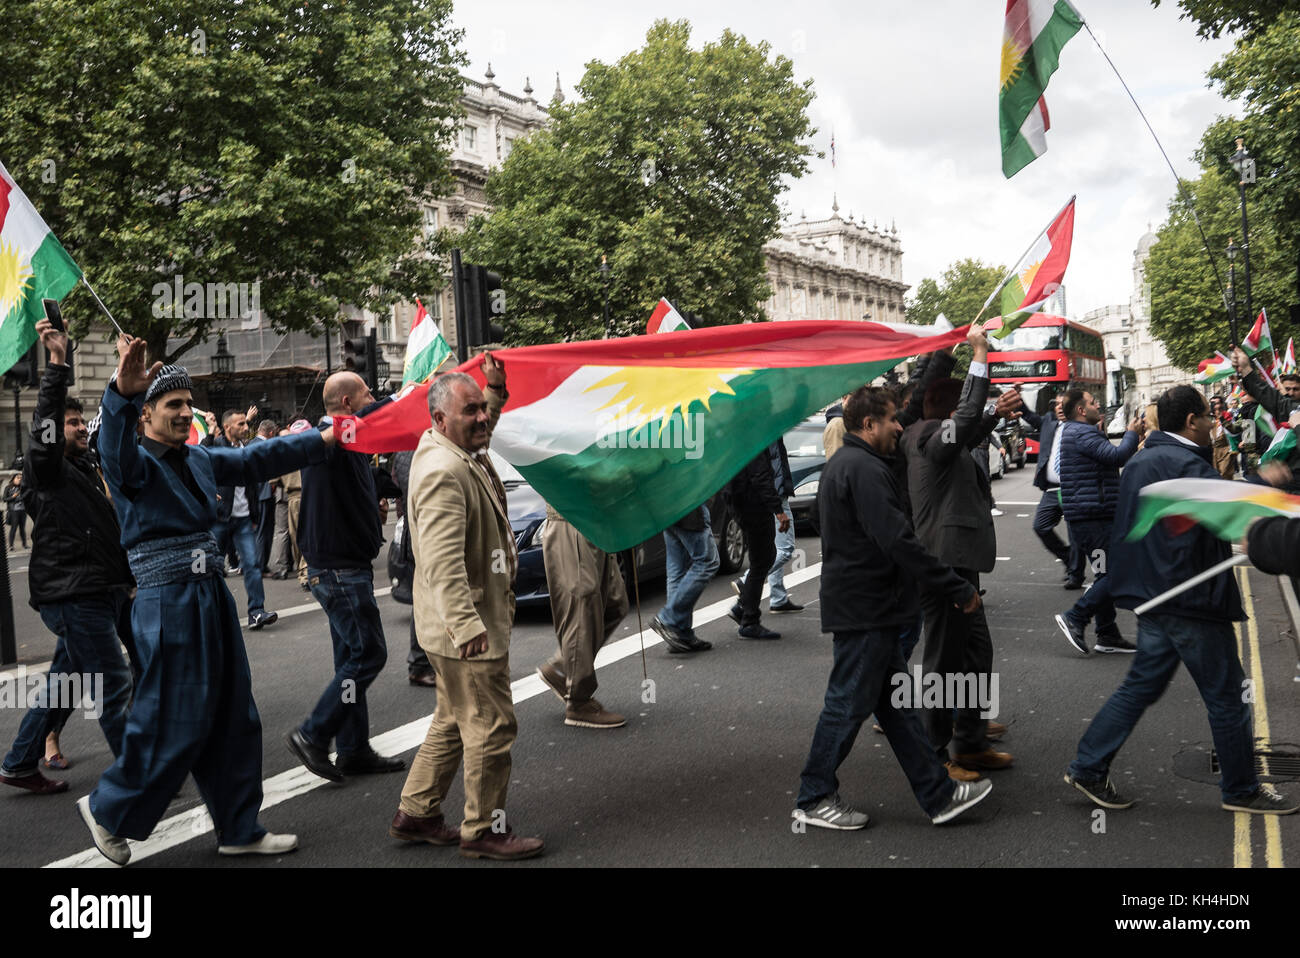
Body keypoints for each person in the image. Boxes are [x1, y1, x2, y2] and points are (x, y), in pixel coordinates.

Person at [78, 337, 335, 865]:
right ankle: (108, 808)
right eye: (171, 404)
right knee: (174, 716)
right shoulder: (129, 463)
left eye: (186, 404)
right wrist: (118, 393)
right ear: (145, 413)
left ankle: (238, 826)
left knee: (233, 712)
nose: (181, 413)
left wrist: (324, 441)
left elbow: (259, 457)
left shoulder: (197, 458)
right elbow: (112, 448)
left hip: (210, 595)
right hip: (166, 602)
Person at [1066, 385, 1297, 815]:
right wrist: (1264, 483)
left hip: (1158, 598)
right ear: (1192, 421)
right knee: (1229, 696)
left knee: (1140, 688)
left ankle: (1088, 766)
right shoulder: (1184, 462)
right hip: (1191, 600)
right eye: (1209, 416)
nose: (1213, 423)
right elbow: (1228, 510)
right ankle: (1241, 790)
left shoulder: (1144, 460)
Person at [794, 385, 993, 829]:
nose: (898, 426)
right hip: (866, 609)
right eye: (890, 420)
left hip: (872, 606)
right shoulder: (861, 469)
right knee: (845, 705)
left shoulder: (854, 464)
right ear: (868, 425)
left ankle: (939, 795)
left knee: (898, 710)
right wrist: (954, 587)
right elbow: (898, 541)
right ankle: (813, 795)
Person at [390, 366, 544, 860]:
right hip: (464, 630)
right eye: (471, 410)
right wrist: (467, 626)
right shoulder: (443, 470)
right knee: (492, 727)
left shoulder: (455, 446)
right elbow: (440, 561)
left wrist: (493, 391)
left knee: (454, 719)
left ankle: (416, 813)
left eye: (483, 407)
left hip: (451, 629)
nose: (482, 418)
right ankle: (483, 830)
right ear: (439, 418)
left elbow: (482, 424)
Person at [0, 319, 135, 795]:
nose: (80, 427)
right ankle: (138, 780)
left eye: (82, 421)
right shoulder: (48, 469)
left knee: (64, 682)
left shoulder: (85, 467)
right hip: (76, 595)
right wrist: (57, 364)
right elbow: (45, 431)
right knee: (114, 684)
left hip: (98, 590)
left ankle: (18, 761)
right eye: (71, 422)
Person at [902, 326, 1018, 779]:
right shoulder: (927, 437)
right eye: (961, 414)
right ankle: (935, 757)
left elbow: (967, 430)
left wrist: (992, 413)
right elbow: (964, 422)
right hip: (943, 566)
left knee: (976, 655)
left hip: (960, 566)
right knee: (943, 664)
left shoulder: (936, 436)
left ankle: (969, 742)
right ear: (949, 413)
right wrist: (979, 355)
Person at [287, 371, 404, 782]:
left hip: (344, 567)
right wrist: (410, 394)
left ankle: (353, 749)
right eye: (368, 392)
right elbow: (379, 414)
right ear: (350, 404)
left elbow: (372, 481)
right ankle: (313, 733)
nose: (374, 397)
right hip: (338, 570)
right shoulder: (329, 439)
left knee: (350, 657)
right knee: (368, 654)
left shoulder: (350, 442)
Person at [1054, 389, 1143, 655]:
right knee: (1116, 573)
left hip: (1091, 517)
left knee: (1104, 573)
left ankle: (1107, 634)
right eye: (1093, 402)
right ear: (1081, 410)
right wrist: (1131, 432)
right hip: (1094, 519)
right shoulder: (1081, 433)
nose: (1098, 405)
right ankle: (1076, 617)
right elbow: (1116, 457)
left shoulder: (1080, 432)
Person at [535, 507, 630, 728]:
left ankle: (563, 667)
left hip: (594, 521)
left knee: (615, 603)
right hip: (573, 519)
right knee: (582, 612)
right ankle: (578, 702)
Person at [201, 407, 276, 629]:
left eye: (246, 423)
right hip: (220, 518)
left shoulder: (247, 448)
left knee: (252, 565)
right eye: (241, 424)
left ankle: (257, 612)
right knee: (209, 567)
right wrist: (210, 429)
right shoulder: (217, 446)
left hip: (243, 519)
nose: (246, 427)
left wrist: (254, 513)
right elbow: (200, 455)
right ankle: (207, 615)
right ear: (227, 427)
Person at [726, 448, 789, 639]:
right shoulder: (752, 440)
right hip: (754, 506)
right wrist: (778, 510)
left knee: (766, 558)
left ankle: (745, 606)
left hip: (742, 503)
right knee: (761, 561)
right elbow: (760, 476)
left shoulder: (736, 436)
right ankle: (749, 620)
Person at [734, 438, 802, 614]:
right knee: (786, 549)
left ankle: (778, 598)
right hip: (775, 495)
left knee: (777, 547)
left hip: (772, 494)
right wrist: (777, 505)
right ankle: (746, 581)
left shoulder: (767, 428)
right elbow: (768, 468)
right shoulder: (768, 430)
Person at [1032, 395, 1085, 589]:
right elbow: (1029, 416)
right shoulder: (1049, 423)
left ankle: (1076, 574)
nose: (1060, 408)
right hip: (1053, 490)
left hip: (1073, 489)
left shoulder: (1081, 428)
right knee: (1040, 526)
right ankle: (1068, 557)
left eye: (1064, 405)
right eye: (1057, 405)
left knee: (1074, 534)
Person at [650, 504, 719, 653]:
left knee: (677, 570)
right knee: (708, 562)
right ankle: (669, 618)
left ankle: (681, 634)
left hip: (665, 510)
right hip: (688, 506)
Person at [1233, 347, 1300, 492]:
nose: (1291, 393)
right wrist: (1246, 370)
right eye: (1288, 389)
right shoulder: (1294, 408)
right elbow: (1272, 398)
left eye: (1295, 389)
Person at [253, 420, 278, 572]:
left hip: (254, 494)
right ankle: (261, 566)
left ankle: (255, 563)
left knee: (257, 531)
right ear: (271, 433)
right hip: (264, 492)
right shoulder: (265, 446)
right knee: (264, 531)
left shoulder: (250, 444)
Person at [4, 473, 27, 549]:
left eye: (21, 478)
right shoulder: (8, 488)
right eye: (18, 477)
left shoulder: (23, 487)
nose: (19, 479)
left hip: (23, 510)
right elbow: (4, 499)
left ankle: (24, 544)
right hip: (14, 511)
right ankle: (11, 546)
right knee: (14, 528)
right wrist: (13, 497)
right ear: (13, 478)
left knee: (22, 528)